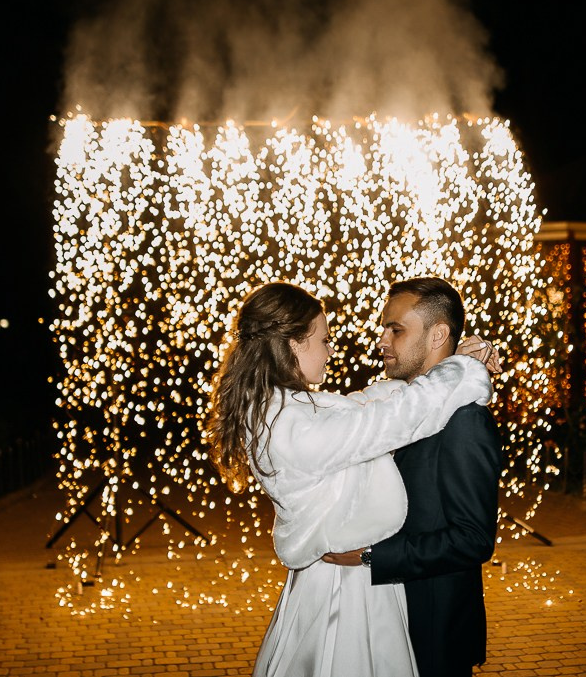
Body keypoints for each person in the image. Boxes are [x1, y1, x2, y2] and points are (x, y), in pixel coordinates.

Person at [205, 281, 501, 677]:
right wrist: (462, 369)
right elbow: (387, 418)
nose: (332, 349)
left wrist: (453, 367)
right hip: (343, 597)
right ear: (293, 343)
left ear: (437, 334)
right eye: (324, 340)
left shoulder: (285, 409)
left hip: (367, 595)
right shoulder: (291, 425)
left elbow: (370, 404)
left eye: (395, 329)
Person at [324, 277, 503, 677]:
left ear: (438, 334)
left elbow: (472, 539)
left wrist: (371, 557)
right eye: (384, 328)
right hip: (389, 620)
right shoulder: (400, 408)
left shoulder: (465, 420)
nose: (382, 341)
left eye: (397, 330)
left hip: (433, 631)